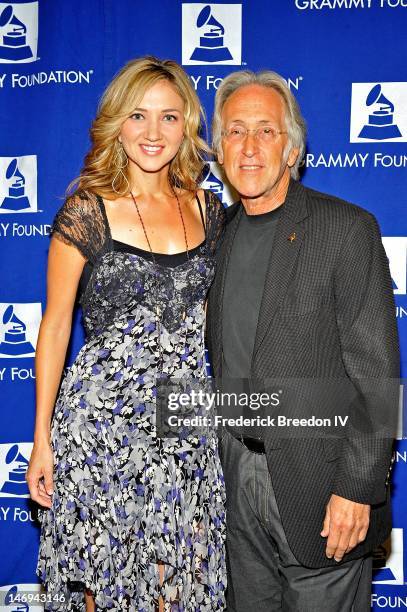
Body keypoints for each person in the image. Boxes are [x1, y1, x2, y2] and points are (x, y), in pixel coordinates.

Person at [26, 56, 226, 612]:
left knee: (177, 587)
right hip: (99, 428)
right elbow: (56, 326)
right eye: (138, 115)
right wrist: (42, 439)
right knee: (100, 584)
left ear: (186, 124)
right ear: (117, 122)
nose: (153, 133)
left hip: (184, 426)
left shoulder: (210, 212)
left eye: (168, 117)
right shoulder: (85, 212)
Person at [206, 69, 399, 611]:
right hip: (235, 478)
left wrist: (357, 488)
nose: (249, 147)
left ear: (292, 149)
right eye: (236, 131)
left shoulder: (346, 230)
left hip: (321, 485)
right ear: (219, 148)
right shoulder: (217, 236)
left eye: (266, 131)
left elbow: (377, 376)